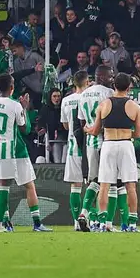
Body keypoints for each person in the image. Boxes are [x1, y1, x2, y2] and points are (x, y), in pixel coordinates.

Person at [0, 74, 49, 232]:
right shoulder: (15, 105)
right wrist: (24, 108)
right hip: (10, 150)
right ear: (12, 88)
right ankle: (7, 224)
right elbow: (26, 129)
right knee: (13, 187)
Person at [88, 73, 140, 232]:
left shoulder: (103, 105)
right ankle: (132, 224)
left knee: (104, 185)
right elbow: (138, 134)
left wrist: (87, 129)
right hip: (126, 145)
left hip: (109, 145)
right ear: (129, 87)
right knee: (130, 186)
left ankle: (102, 222)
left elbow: (95, 131)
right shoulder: (135, 107)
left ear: (114, 86)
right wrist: (126, 133)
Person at [77, 65, 114, 231]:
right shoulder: (108, 93)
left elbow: (82, 123)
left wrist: (88, 129)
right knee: (108, 183)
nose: (112, 79)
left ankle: (85, 214)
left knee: (94, 181)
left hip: (90, 143)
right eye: (110, 76)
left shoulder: (83, 94)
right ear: (102, 76)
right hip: (107, 141)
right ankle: (103, 221)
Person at [61, 70, 88, 229]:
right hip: (88, 145)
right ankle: (91, 219)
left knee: (75, 186)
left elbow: (65, 125)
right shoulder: (89, 97)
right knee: (92, 185)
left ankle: (76, 222)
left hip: (73, 146)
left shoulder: (66, 100)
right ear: (87, 82)